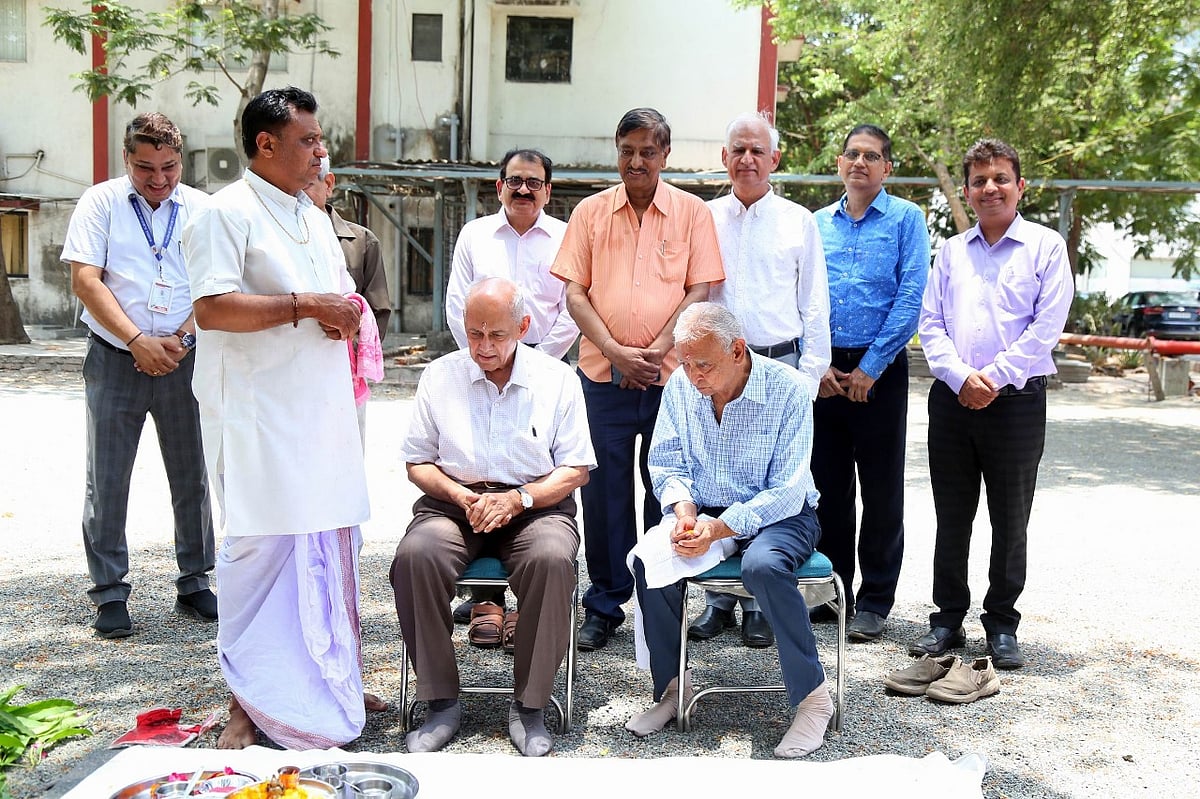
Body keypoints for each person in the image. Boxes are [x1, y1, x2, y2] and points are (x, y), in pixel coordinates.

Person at [182, 86, 383, 749]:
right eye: (309, 140)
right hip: (258, 417)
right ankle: (247, 700)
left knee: (326, 544)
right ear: (265, 144)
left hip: (320, 413)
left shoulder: (309, 213)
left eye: (320, 138)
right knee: (260, 555)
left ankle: (328, 677)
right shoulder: (224, 213)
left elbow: (334, 296)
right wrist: (307, 305)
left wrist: (339, 312)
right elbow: (212, 308)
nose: (322, 150)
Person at [390, 277, 595, 757]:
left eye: (496, 335)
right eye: (474, 333)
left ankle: (530, 706)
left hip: (535, 506)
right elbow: (417, 462)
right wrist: (461, 496)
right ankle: (440, 702)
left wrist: (519, 499)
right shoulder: (440, 375)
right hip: (455, 502)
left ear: (523, 327)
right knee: (416, 556)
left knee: (551, 559)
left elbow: (576, 470)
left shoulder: (557, 379)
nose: (483, 346)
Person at [551, 107, 725, 650]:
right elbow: (574, 292)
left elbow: (700, 290)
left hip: (670, 377)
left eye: (648, 151)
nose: (636, 161)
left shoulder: (692, 213)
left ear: (665, 155)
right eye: (627, 151)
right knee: (603, 492)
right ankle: (604, 604)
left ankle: (661, 601)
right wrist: (616, 352)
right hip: (602, 376)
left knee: (667, 487)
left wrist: (653, 351)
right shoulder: (590, 212)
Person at [627, 303, 833, 758]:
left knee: (763, 566)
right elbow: (666, 461)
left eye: (703, 364)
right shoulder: (681, 383)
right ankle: (672, 689)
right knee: (649, 560)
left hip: (782, 514)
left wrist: (721, 528)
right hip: (706, 509)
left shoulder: (789, 389)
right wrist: (684, 511)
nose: (693, 375)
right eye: (685, 363)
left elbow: (788, 489)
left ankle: (813, 699)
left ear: (738, 350)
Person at [913, 138, 1073, 670]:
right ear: (966, 191)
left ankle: (1002, 623)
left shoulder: (1045, 247)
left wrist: (995, 378)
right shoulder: (951, 252)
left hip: (1017, 401)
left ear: (1019, 186)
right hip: (952, 399)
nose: (990, 188)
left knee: (1010, 518)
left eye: (1001, 178)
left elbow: (1046, 327)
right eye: (979, 180)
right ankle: (946, 619)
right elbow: (931, 324)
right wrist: (961, 378)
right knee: (951, 516)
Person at [62, 112, 216, 639]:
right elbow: (87, 280)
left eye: (169, 167)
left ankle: (194, 580)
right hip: (116, 356)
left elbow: (217, 284)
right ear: (126, 158)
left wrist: (183, 339)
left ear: (181, 160)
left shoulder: (201, 209)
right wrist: (136, 340)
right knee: (107, 477)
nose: (158, 179)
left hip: (183, 356)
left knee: (192, 473)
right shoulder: (100, 203)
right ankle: (109, 591)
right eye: (145, 167)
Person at [691, 112, 831, 648]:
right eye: (738, 150)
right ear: (724, 158)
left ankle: (757, 602)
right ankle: (717, 599)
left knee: (770, 482)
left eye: (757, 150)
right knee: (720, 476)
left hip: (780, 367)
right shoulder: (705, 217)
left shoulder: (799, 221)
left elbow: (814, 304)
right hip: (717, 372)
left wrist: (807, 380)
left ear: (775, 159)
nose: (747, 159)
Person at [444, 147, 577, 623]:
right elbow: (457, 302)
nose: (524, 190)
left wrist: (534, 363)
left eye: (534, 182)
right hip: (483, 364)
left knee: (538, 470)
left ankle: (527, 604)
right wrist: (486, 358)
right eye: (515, 181)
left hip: (546, 366)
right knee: (483, 469)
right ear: (499, 186)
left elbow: (573, 306)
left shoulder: (565, 237)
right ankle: (486, 600)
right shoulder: (475, 234)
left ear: (548, 191)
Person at [811, 124, 930, 642]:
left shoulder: (907, 219)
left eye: (872, 156)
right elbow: (805, 296)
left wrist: (872, 366)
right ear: (839, 163)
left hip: (879, 371)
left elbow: (911, 296)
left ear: (887, 168)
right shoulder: (816, 224)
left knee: (881, 490)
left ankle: (876, 601)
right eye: (852, 154)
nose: (860, 162)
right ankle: (833, 593)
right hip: (826, 372)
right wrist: (818, 364)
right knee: (828, 488)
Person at [304, 155, 392, 443]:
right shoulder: (277, 238)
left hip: (346, 371)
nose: (299, 196)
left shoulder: (360, 241)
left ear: (328, 184)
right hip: (296, 370)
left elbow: (377, 311)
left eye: (307, 185)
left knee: (347, 451)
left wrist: (352, 340)